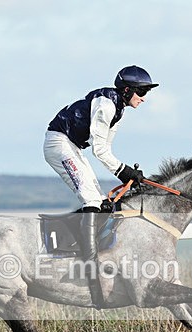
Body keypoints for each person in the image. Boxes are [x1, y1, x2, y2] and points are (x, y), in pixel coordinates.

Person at [44, 65, 159, 307]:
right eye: (142, 92)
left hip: (72, 146)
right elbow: (99, 150)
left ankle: (80, 247)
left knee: (100, 200)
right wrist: (124, 171)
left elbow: (105, 150)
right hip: (59, 142)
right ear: (127, 90)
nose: (144, 98)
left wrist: (125, 175)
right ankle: (90, 263)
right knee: (91, 199)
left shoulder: (118, 109)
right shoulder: (106, 104)